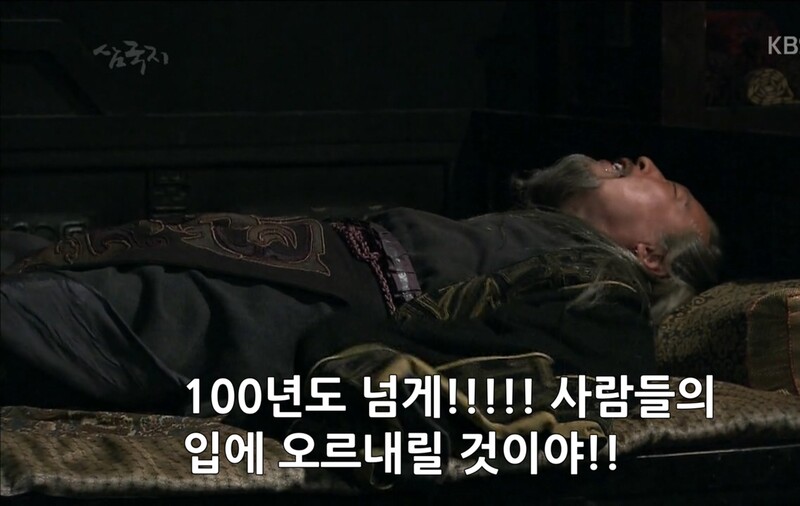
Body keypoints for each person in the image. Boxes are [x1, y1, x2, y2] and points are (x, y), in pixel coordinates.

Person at [0, 154, 721, 419]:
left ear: (650, 256)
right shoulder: (534, 231)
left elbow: (491, 377)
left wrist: (344, 356)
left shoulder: (603, 289)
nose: (648, 163)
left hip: (261, 314)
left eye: (674, 191)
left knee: (43, 314)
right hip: (261, 265)